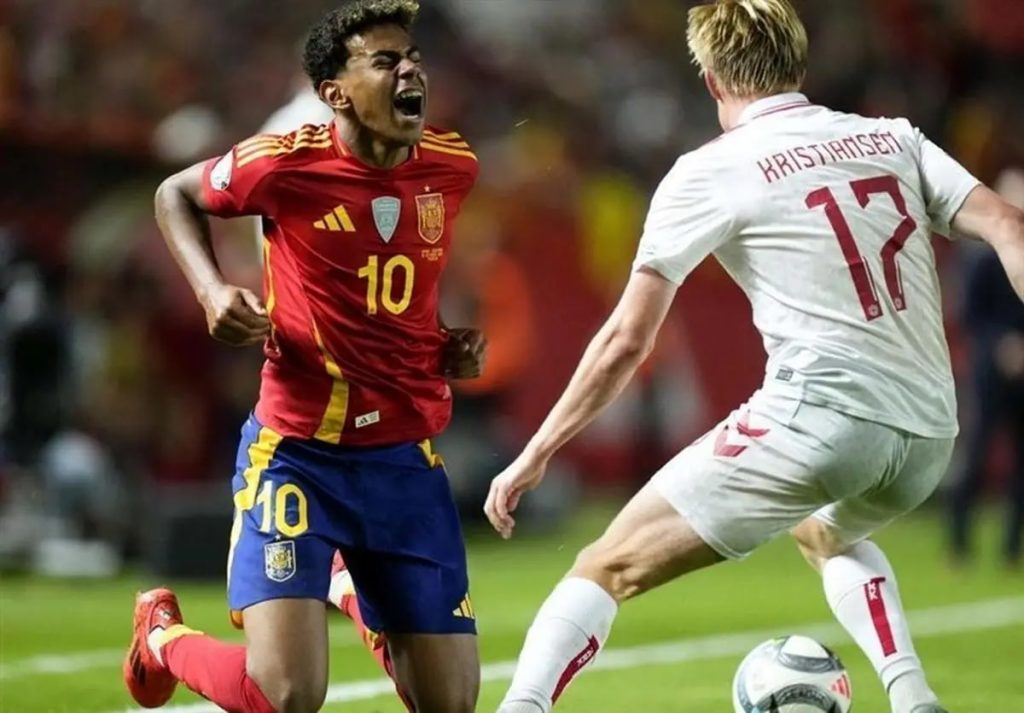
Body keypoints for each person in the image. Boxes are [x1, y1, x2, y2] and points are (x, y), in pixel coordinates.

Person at [483, 1, 1024, 712]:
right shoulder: (891, 136)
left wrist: (537, 451)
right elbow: (1008, 223)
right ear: (799, 62)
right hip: (927, 431)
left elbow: (626, 340)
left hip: (823, 419)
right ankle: (913, 695)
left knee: (604, 565)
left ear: (711, 79)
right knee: (823, 530)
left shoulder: (710, 170)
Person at [124, 2, 486, 712]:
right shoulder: (284, 164)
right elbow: (175, 194)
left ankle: (347, 578)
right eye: (385, 62)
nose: (410, 71)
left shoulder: (452, 166)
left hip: (402, 458)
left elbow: (398, 284)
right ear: (335, 93)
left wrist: (446, 340)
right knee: (287, 694)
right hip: (300, 454)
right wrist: (210, 290)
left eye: (413, 58)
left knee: (449, 705)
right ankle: (161, 636)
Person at [950, 169, 1024, 569]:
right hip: (988, 371)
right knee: (976, 454)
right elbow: (969, 314)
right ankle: (958, 545)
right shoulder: (980, 256)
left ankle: (1012, 549)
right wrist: (1001, 344)